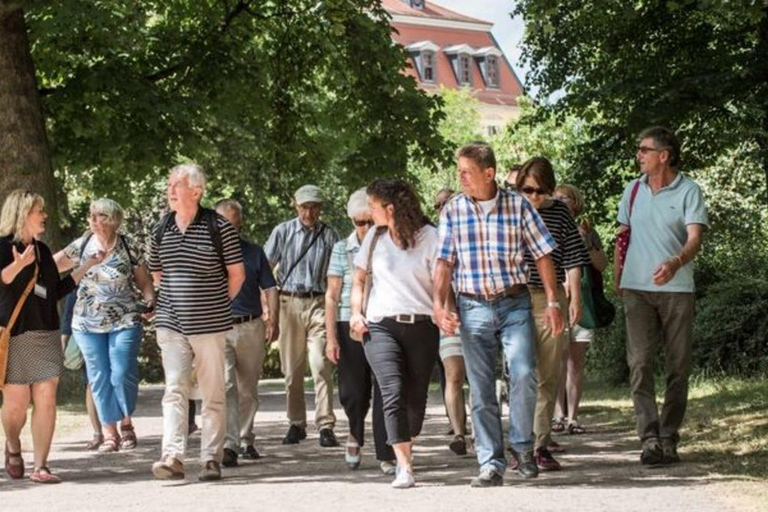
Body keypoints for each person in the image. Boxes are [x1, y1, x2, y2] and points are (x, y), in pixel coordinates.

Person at [433, 142, 564, 488]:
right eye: (458, 171)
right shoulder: (453, 210)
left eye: (466, 171)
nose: (460, 177)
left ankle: (522, 447)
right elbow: (444, 262)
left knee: (523, 373)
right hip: (472, 305)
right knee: (480, 387)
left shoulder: (518, 205)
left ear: (488, 174)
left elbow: (543, 254)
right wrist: (439, 305)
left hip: (514, 302)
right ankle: (491, 462)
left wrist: (552, 302)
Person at [616, 127, 707, 465]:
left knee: (677, 367)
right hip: (637, 290)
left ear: (664, 155)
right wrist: (619, 278)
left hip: (677, 290)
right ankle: (650, 438)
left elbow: (695, 238)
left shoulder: (689, 191)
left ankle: (669, 436)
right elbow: (622, 237)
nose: (639, 155)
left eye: (644, 150)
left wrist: (676, 261)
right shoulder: (633, 190)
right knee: (639, 363)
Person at [148, 164, 245, 482]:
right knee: (175, 389)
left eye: (176, 184)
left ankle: (210, 458)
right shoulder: (161, 228)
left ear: (196, 191)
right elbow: (157, 274)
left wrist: (216, 305)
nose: (171, 189)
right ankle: (173, 456)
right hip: (171, 324)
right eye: (170, 184)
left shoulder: (219, 227)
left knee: (213, 392)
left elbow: (237, 275)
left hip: (211, 325)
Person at [1, 189, 103, 483]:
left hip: (45, 333)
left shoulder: (43, 251)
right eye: (38, 211)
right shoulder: (2, 247)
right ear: (22, 214)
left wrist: (87, 265)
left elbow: (55, 291)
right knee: (16, 406)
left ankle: (40, 466)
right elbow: (3, 280)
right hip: (15, 336)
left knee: (46, 397)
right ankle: (13, 444)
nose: (44, 215)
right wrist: (18, 265)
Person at [350, 179, 440, 489]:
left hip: (423, 325)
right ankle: (404, 465)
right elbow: (359, 280)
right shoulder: (374, 238)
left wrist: (444, 309)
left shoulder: (430, 237)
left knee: (415, 399)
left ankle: (407, 437)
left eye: (372, 206)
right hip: (380, 325)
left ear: (390, 208)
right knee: (392, 390)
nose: (368, 212)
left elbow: (441, 283)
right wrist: (356, 313)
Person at [54, 198, 156, 453]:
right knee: (98, 377)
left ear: (113, 220)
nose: (94, 220)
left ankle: (127, 424)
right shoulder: (82, 245)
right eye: (92, 215)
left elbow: (144, 282)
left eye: (100, 216)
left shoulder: (127, 245)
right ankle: (110, 433)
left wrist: (150, 299)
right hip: (87, 323)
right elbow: (51, 265)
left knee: (120, 373)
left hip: (124, 319)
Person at [516, 159, 590, 471]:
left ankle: (540, 444)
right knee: (521, 374)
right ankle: (518, 443)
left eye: (538, 191)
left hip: (551, 300)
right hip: (516, 298)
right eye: (525, 190)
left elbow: (573, 257)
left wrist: (574, 297)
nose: (532, 197)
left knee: (548, 373)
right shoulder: (511, 210)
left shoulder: (559, 212)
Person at [325, 188, 396, 474]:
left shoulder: (390, 243)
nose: (366, 228)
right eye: (359, 222)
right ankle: (355, 432)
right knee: (354, 391)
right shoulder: (342, 248)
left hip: (382, 320)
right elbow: (331, 295)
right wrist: (331, 337)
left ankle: (386, 450)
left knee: (385, 387)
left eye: (370, 221)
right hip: (347, 322)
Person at [265, 185, 340, 447]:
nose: (309, 212)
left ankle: (325, 424)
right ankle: (296, 423)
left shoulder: (330, 235)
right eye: (305, 207)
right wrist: (268, 311)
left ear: (321, 208)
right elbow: (265, 271)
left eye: (314, 207)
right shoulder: (282, 232)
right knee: (292, 370)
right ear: (296, 207)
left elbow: (337, 275)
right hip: (288, 303)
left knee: (321, 365)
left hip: (319, 302)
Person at [213, 199, 279, 467]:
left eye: (236, 226)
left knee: (248, 389)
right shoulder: (206, 253)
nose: (231, 231)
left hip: (251, 325)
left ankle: (245, 437)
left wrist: (273, 319)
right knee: (226, 384)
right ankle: (229, 443)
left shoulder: (253, 252)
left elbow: (270, 287)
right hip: (219, 326)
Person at [553, 184, 609, 435]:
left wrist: (587, 242)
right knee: (557, 359)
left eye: (565, 197)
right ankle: (558, 415)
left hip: (583, 304)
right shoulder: (548, 226)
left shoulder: (588, 231)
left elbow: (601, 265)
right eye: (557, 197)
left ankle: (574, 417)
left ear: (575, 202)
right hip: (556, 301)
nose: (561, 201)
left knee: (576, 360)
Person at [432, 188, 468, 455]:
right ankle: (458, 433)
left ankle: (480, 430)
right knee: (453, 375)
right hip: (450, 318)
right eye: (438, 205)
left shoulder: (470, 231)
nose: (443, 207)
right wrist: (445, 310)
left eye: (448, 203)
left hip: (479, 314)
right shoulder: (433, 240)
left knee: (479, 378)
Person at [60, 289, 104, 450]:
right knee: (91, 384)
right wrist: (64, 342)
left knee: (101, 383)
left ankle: (111, 431)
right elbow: (68, 314)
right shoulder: (79, 283)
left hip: (108, 335)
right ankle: (98, 433)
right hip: (87, 339)